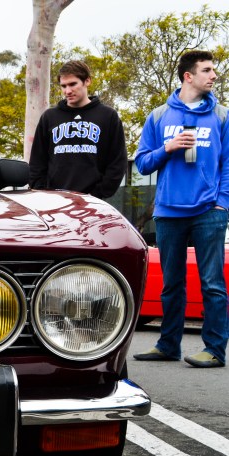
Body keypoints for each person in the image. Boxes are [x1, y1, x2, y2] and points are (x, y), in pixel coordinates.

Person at [133, 49, 229, 368]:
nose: (214, 75)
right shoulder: (159, 116)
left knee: (212, 282)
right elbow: (143, 163)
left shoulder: (222, 116)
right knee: (172, 283)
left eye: (213, 70)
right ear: (189, 76)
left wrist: (221, 202)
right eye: (207, 70)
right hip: (169, 211)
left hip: (209, 212)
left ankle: (214, 349)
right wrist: (168, 148)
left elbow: (227, 164)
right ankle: (167, 345)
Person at [28, 60, 127, 198]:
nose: (67, 91)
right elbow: (37, 163)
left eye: (73, 84)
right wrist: (44, 193)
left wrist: (96, 195)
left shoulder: (108, 116)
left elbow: (117, 162)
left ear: (87, 81)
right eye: (63, 86)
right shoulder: (49, 117)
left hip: (92, 203)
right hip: (54, 202)